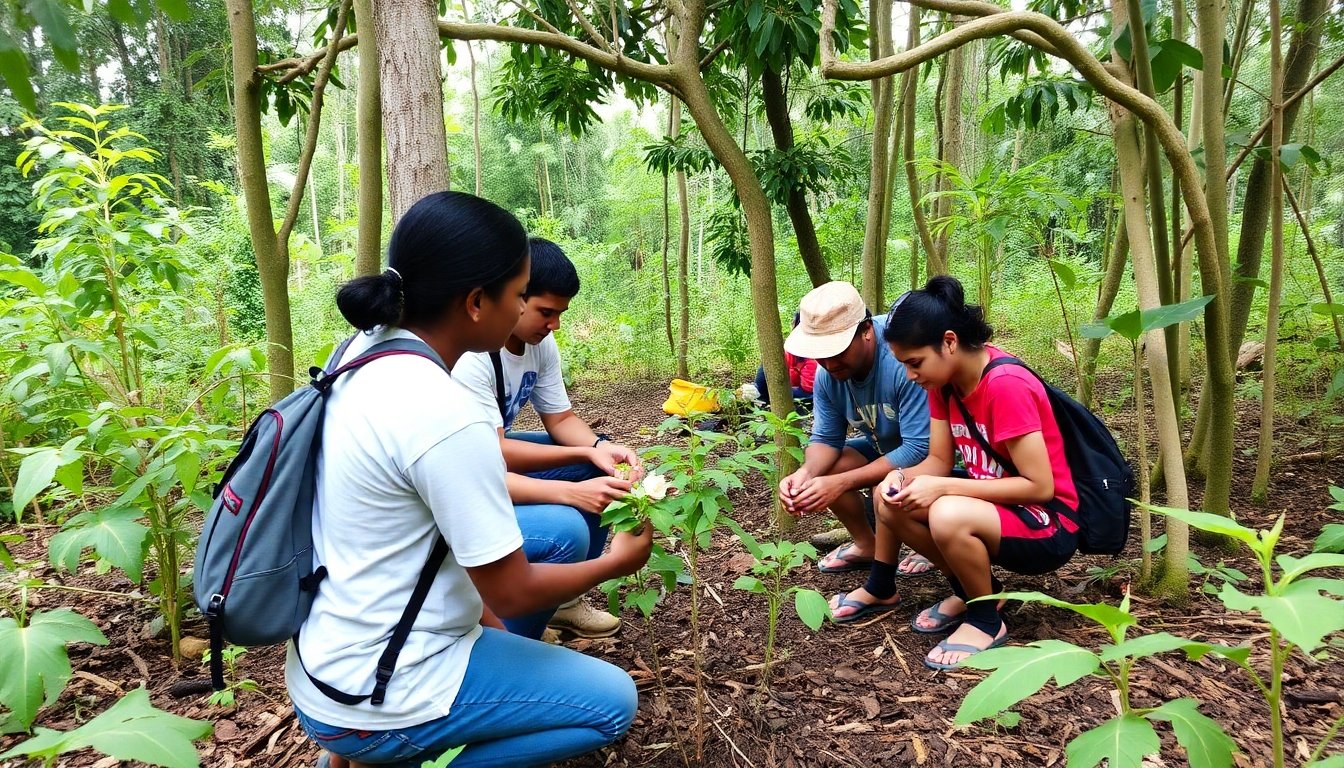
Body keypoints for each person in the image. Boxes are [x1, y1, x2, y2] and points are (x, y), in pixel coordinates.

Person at [288, 191, 653, 768]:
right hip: (379, 688)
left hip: (327, 660)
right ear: (477, 301)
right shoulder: (443, 410)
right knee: (611, 704)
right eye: (517, 295)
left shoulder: (360, 352)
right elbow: (508, 591)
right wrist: (618, 563)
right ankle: (386, 753)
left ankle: (358, 747)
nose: (523, 312)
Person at [832, 275, 1079, 670]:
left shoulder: (1005, 385)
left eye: (915, 363)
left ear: (949, 342)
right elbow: (937, 463)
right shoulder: (943, 385)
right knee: (888, 498)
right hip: (997, 503)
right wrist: (902, 477)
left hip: (1048, 522)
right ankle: (977, 592)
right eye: (903, 365)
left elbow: (1039, 485)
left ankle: (986, 621)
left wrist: (940, 487)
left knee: (947, 513)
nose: (911, 375)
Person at [453, 237, 644, 640]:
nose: (553, 323)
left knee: (593, 464)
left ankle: (563, 602)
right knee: (569, 518)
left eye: (560, 313)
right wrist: (574, 485)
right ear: (516, 297)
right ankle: (513, 636)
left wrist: (597, 448)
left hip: (490, 457)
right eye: (545, 311)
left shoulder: (541, 344)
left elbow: (561, 417)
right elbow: (489, 456)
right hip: (470, 471)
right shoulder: (473, 357)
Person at [777, 281, 932, 576]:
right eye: (820, 352)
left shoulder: (903, 360)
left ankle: (932, 544)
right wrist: (805, 474)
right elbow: (825, 438)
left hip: (938, 456)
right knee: (823, 472)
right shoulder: (827, 374)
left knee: (879, 485)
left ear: (867, 332)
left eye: (837, 350)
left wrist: (843, 482)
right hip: (883, 444)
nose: (828, 362)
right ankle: (867, 544)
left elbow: (918, 447)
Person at [751, 312, 818, 408]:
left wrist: (778, 391)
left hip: (808, 395)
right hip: (786, 389)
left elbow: (809, 389)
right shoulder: (789, 347)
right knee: (766, 364)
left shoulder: (811, 353)